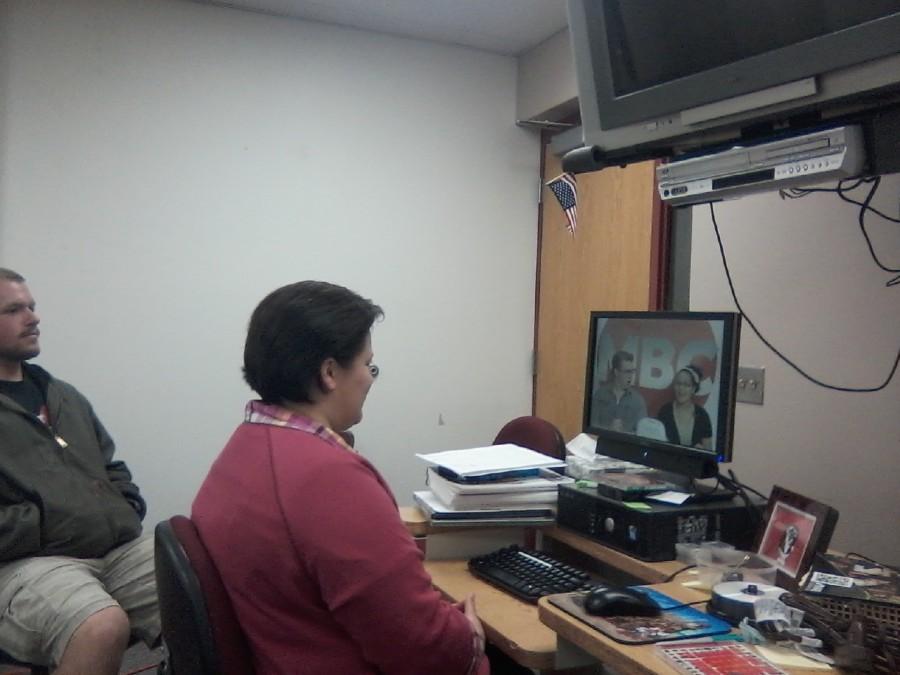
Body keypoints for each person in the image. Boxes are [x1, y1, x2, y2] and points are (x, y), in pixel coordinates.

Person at [192, 281, 488, 675]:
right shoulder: (327, 478)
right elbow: (423, 648)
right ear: (330, 372)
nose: (369, 379)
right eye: (368, 365)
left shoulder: (241, 450)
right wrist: (467, 636)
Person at [0, 268, 159, 674]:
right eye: (14, 309)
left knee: (204, 579)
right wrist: (51, 523)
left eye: (31, 307)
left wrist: (124, 506)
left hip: (112, 548)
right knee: (100, 626)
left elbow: (111, 467)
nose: (33, 318)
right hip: (25, 565)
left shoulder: (63, 395)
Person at [656, 364, 713, 449]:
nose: (681, 389)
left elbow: (709, 450)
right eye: (678, 384)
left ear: (694, 389)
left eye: (687, 385)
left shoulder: (702, 415)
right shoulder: (665, 411)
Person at [590, 350, 647, 433]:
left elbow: (643, 433)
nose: (630, 376)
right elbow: (591, 427)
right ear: (616, 372)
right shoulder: (600, 395)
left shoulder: (638, 401)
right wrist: (608, 429)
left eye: (632, 371)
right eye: (627, 372)